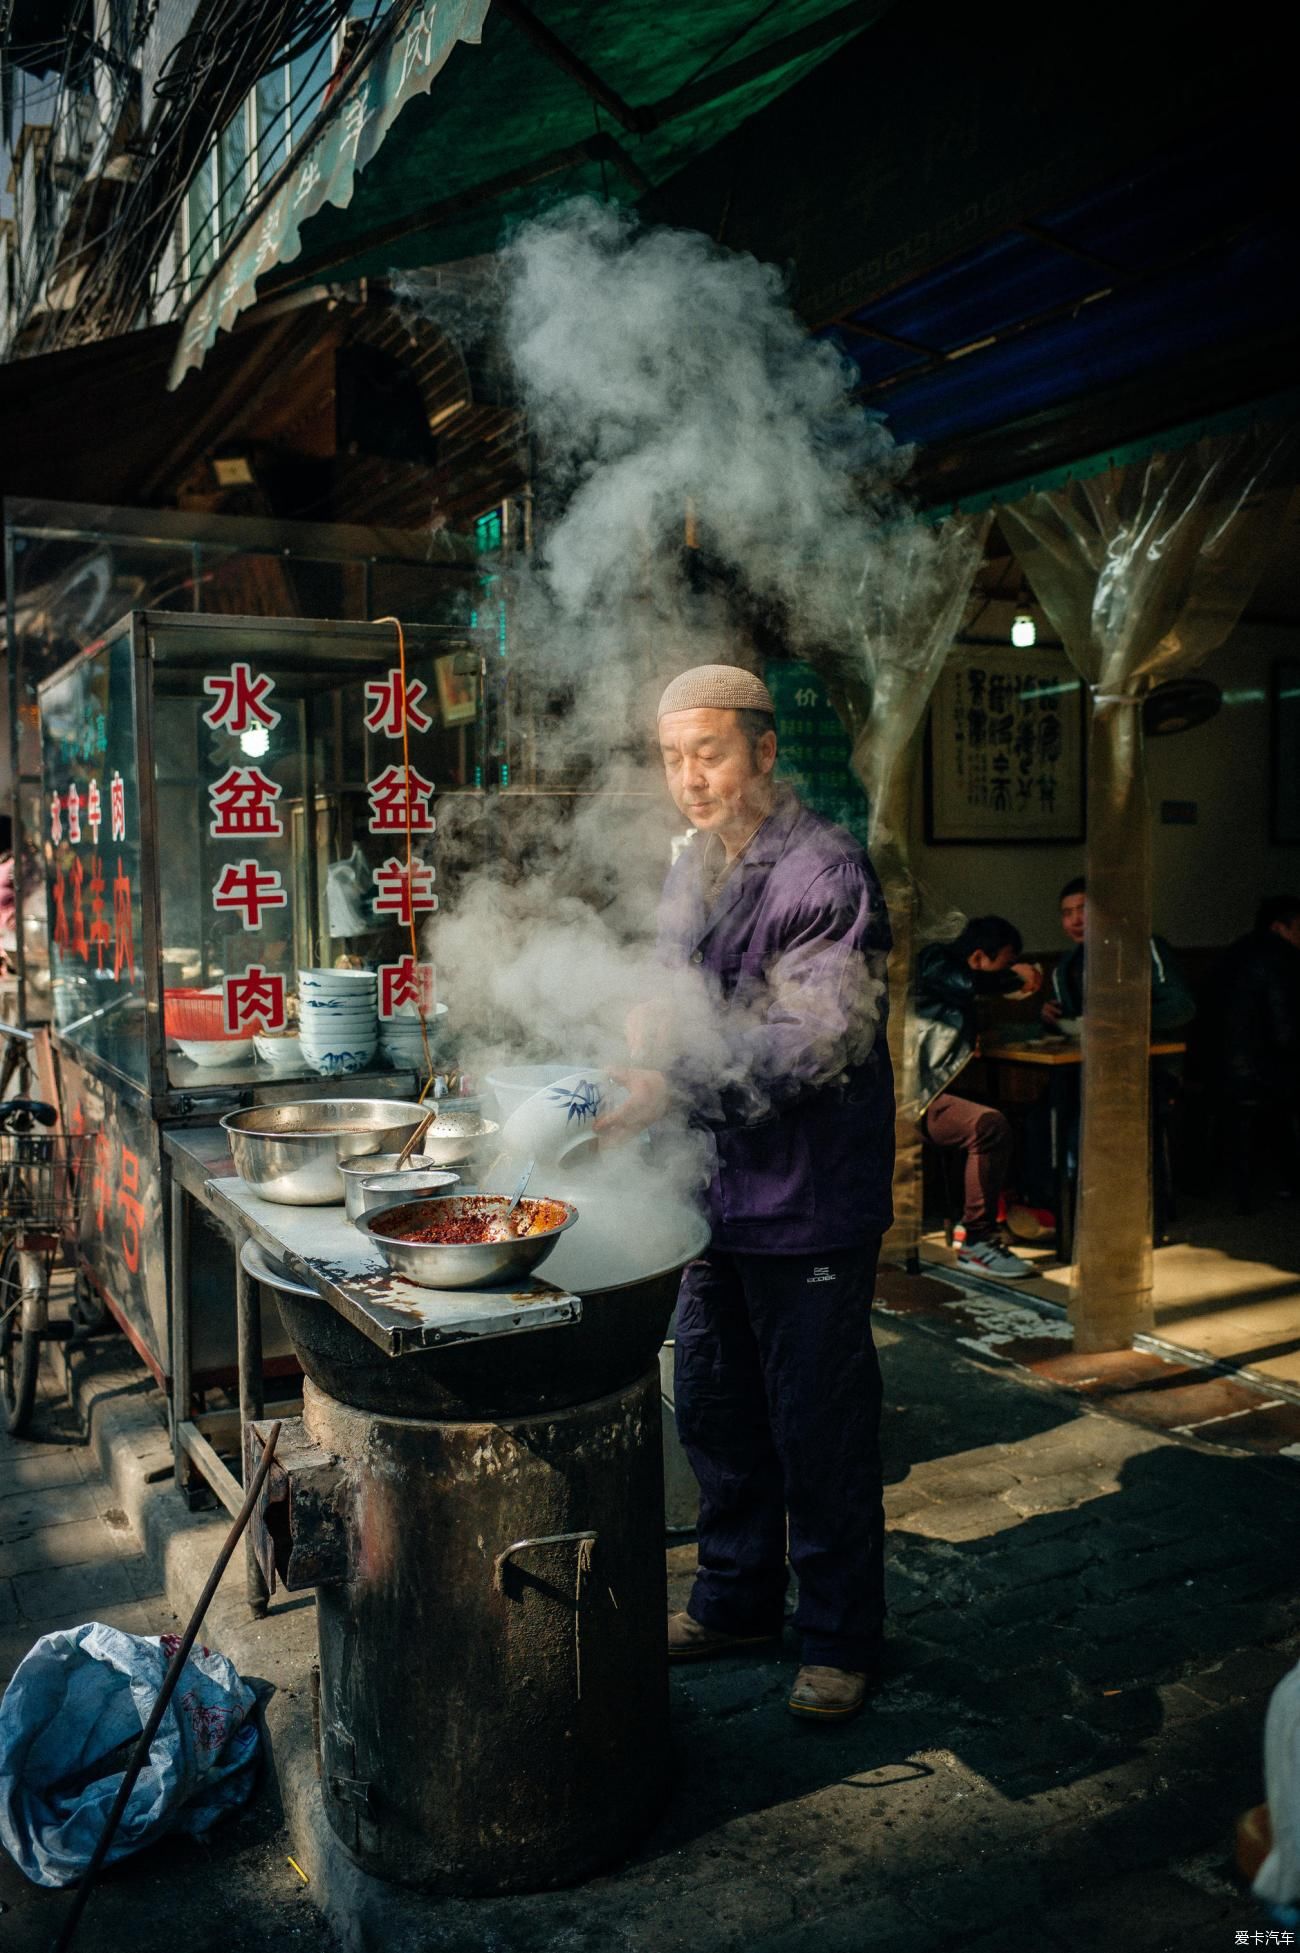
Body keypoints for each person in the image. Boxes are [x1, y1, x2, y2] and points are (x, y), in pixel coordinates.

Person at [598, 663, 894, 1723]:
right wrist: (646, 1020)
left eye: (709, 752)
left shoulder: (822, 869)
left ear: (764, 751)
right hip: (714, 1196)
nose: (691, 777)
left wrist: (666, 1081)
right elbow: (679, 981)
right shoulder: (696, 865)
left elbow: (811, 1042)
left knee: (817, 1427)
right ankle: (734, 1601)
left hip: (806, 1200)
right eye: (674, 758)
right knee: (719, 1411)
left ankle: (839, 1637)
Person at [915, 917, 1043, 1278]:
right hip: (913, 1097)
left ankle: (981, 1219)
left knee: (1009, 1115)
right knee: (988, 1126)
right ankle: (977, 1241)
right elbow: (970, 984)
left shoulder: (952, 986)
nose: (1005, 971)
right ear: (977, 956)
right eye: (1004, 961)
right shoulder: (935, 962)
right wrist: (1015, 978)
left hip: (931, 1090)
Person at [1205, 895, 1300, 1197]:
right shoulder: (1280, 959)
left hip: (1215, 1067)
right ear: (1279, 928)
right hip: (1257, 1072)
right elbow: (1287, 1035)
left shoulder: (1233, 953)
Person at [1044, 876, 1196, 1032]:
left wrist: (1121, 1020)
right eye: (1067, 913)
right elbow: (1074, 1021)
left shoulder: (1144, 947)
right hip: (1086, 1053)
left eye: (1084, 909)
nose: (1075, 920)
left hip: (1148, 1049)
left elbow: (1181, 1007)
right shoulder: (1066, 966)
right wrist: (1051, 1017)